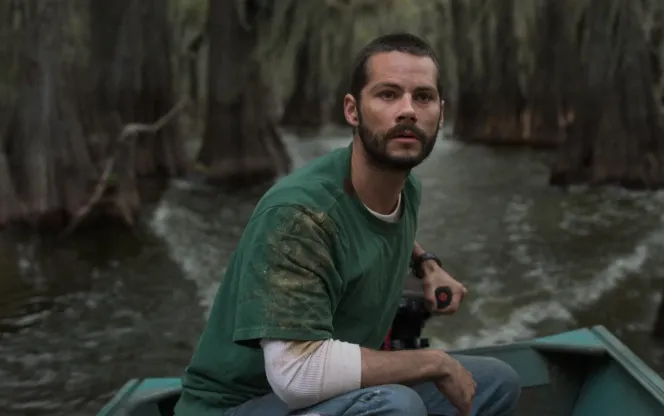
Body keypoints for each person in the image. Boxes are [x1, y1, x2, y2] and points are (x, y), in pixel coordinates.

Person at [173, 32, 521, 416]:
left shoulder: (406, 189)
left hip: (327, 396)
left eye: (422, 97)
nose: (407, 110)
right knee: (395, 405)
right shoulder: (297, 215)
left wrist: (427, 265)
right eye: (388, 95)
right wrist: (434, 362)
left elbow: (378, 227)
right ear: (352, 110)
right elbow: (297, 375)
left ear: (441, 112)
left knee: (497, 382)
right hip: (239, 406)